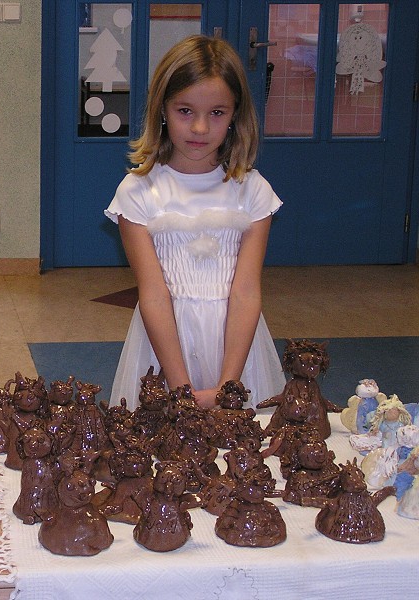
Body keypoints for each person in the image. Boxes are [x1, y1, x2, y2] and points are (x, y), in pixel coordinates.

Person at [105, 35, 285, 411]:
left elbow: (246, 292)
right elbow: (153, 295)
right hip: (164, 352)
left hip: (238, 351)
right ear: (162, 109)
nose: (200, 128)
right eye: (185, 111)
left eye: (217, 113)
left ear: (235, 115)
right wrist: (181, 389)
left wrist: (228, 387)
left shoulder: (252, 190)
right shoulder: (138, 192)